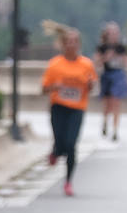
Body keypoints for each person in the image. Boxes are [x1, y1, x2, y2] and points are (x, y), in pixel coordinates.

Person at [40, 29, 97, 196]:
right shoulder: (55, 64)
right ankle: (56, 152)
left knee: (71, 145)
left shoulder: (86, 64)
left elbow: (92, 86)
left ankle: (68, 182)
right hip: (58, 107)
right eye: (68, 42)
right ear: (63, 44)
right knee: (60, 140)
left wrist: (89, 83)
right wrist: (54, 87)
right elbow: (43, 88)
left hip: (77, 108)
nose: (71, 45)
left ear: (79, 44)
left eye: (74, 41)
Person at [94, 22, 127, 143]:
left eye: (116, 33)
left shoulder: (121, 48)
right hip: (107, 76)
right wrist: (107, 57)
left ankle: (115, 130)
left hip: (118, 76)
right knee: (107, 104)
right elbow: (97, 62)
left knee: (116, 102)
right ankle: (105, 121)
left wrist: (122, 59)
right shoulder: (102, 47)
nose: (114, 35)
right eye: (112, 33)